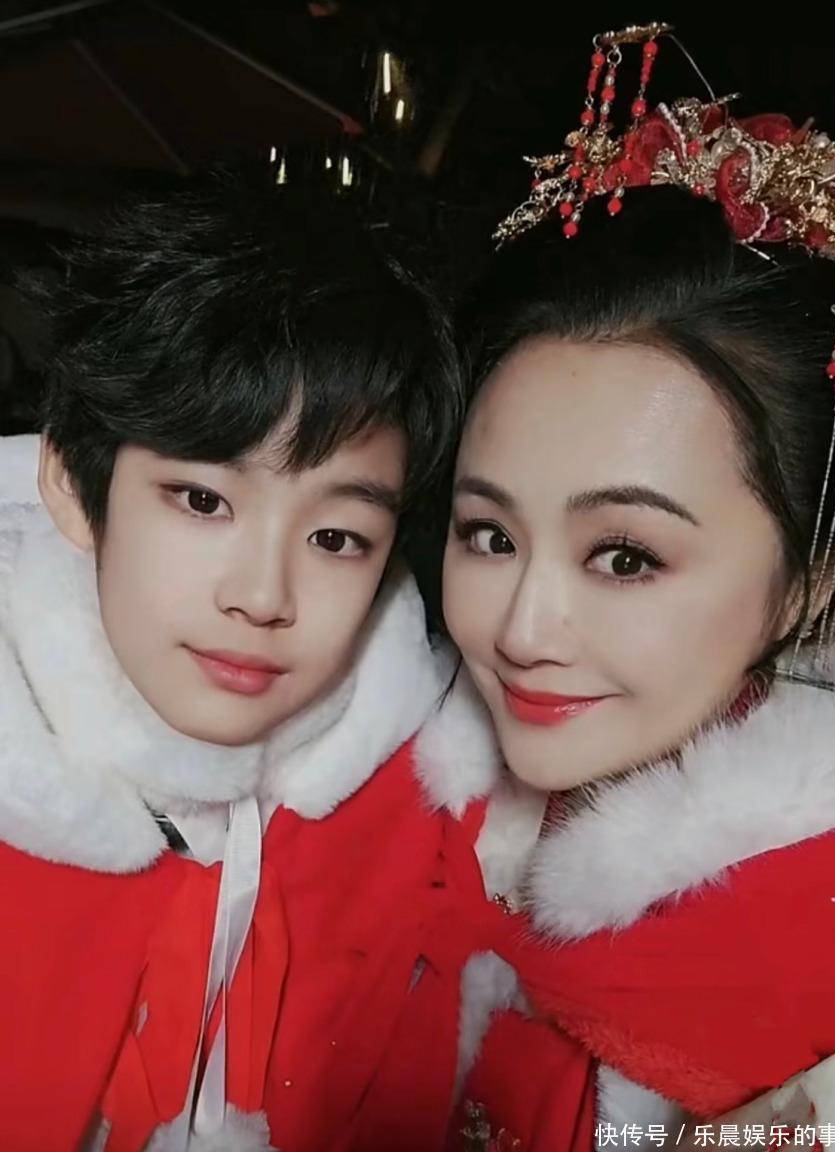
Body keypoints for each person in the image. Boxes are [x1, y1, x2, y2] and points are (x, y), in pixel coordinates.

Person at [0, 174, 483, 1152]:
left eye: (337, 538)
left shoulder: (425, 804)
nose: (263, 596)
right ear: (72, 483)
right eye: (203, 502)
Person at [432, 22, 835, 1147]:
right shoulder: (394, 810)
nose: (522, 629)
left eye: (625, 556)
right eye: (486, 533)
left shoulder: (815, 949)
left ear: (810, 585)